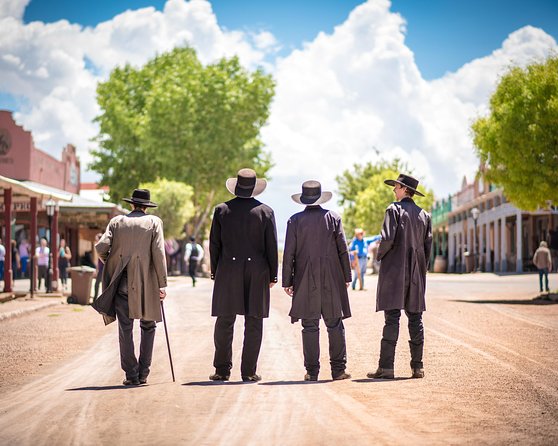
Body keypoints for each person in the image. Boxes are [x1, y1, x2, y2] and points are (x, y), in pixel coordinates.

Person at [92, 189, 167, 386]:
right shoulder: (154, 222)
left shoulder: (116, 222)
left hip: (122, 284)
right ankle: (143, 373)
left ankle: (131, 375)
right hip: (147, 284)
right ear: (146, 207)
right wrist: (162, 284)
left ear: (132, 204)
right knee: (148, 326)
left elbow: (101, 247)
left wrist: (112, 262)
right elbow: (159, 253)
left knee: (125, 328)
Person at [209, 168, 278, 382]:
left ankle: (222, 371)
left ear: (236, 186)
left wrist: (215, 271)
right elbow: (271, 246)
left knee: (224, 321)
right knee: (254, 322)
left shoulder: (221, 210)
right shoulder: (266, 212)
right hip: (257, 271)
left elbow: (214, 244)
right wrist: (273, 275)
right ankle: (248, 372)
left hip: (227, 270)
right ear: (254, 188)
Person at [283, 180, 352, 381]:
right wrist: (346, 276)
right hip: (332, 276)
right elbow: (343, 249)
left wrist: (287, 281)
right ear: (320, 198)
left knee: (309, 325)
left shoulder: (294, 220)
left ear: (304, 199)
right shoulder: (333, 217)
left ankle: (312, 372)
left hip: (305, 277)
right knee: (335, 323)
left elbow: (289, 253)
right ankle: (338, 370)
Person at [368, 174, 432, 380]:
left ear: (404, 189)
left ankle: (386, 367)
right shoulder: (425, 215)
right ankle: (417, 367)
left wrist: (379, 256)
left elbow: (387, 239)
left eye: (396, 186)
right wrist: (421, 269)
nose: (394, 190)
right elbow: (428, 247)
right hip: (415, 272)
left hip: (395, 271)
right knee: (416, 318)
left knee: (392, 318)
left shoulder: (393, 210)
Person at [93, 233, 104, 302]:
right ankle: (95, 299)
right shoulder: (99, 247)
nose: (95, 241)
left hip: (103, 269)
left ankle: (97, 300)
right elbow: (98, 260)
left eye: (96, 239)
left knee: (100, 285)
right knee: (97, 284)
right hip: (100, 269)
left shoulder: (102, 247)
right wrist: (97, 269)